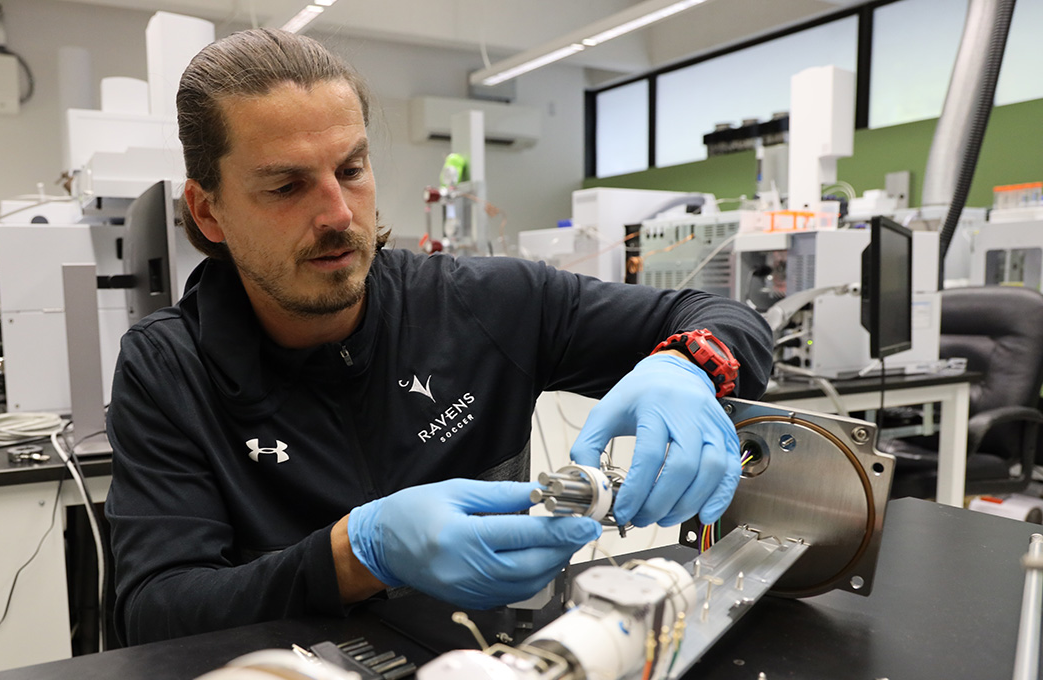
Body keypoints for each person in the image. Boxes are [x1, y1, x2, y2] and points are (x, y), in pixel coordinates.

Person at [104, 28, 772, 646]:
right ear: (208, 211)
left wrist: (689, 367)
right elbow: (157, 610)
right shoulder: (169, 367)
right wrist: (353, 556)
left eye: (353, 170)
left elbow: (719, 315)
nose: (338, 214)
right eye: (286, 186)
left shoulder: (485, 303)